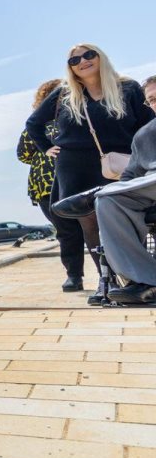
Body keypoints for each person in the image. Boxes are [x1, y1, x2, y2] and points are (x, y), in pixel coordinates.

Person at [25, 44, 154, 304]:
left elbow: (147, 125)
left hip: (123, 161)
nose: (82, 61)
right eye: (75, 59)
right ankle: (106, 277)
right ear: (70, 67)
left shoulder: (127, 88)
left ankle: (139, 275)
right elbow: (33, 124)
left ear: (100, 57)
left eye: (88, 55)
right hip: (75, 165)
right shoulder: (63, 94)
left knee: (132, 213)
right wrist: (47, 148)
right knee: (90, 221)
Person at [54, 76, 156, 304]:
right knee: (108, 202)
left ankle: (97, 193)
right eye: (152, 100)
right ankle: (146, 281)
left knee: (105, 195)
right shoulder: (144, 135)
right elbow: (129, 176)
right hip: (149, 189)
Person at [17, 78, 86, 291]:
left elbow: (24, 155)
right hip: (49, 186)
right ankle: (75, 275)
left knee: (75, 231)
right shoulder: (35, 126)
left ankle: (86, 276)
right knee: (69, 231)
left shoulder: (81, 118)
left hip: (75, 180)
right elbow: (22, 153)